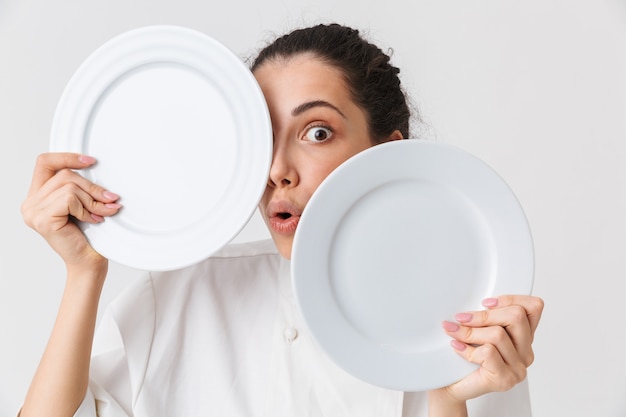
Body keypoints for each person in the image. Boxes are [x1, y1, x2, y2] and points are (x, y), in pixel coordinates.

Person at [19, 23, 544, 417]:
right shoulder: (175, 296)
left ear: (388, 156)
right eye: (262, 137)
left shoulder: (472, 323)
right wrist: (84, 270)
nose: (276, 170)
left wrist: (447, 394)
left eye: (317, 132)